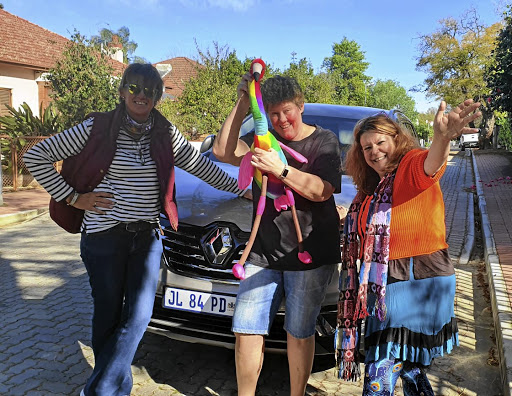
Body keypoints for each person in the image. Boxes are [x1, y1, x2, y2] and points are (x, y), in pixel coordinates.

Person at [23, 63, 248, 396]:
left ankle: (98, 390)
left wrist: (242, 189)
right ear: (122, 91)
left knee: (139, 316)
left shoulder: (165, 133)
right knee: (108, 316)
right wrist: (74, 197)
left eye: (149, 90)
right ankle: (116, 388)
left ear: (157, 96)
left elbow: (200, 166)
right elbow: (36, 156)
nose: (141, 95)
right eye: (134, 87)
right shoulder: (96, 127)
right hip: (104, 238)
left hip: (146, 237)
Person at [335, 99, 481, 395]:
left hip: (416, 282)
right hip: (385, 286)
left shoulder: (409, 168)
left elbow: (430, 165)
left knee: (381, 365)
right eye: (366, 147)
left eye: (380, 142)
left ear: (397, 140)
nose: (374, 151)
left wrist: (441, 138)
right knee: (410, 367)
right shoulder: (370, 192)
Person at [213, 73, 342, 396]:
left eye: (287, 111)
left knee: (298, 332)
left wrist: (281, 169)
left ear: (300, 106)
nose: (281, 119)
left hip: (309, 253)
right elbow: (222, 151)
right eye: (273, 113)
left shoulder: (323, 141)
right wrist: (243, 100)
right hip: (263, 252)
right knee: (246, 329)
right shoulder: (263, 140)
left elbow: (323, 190)